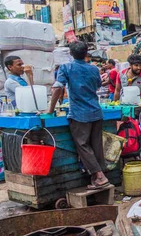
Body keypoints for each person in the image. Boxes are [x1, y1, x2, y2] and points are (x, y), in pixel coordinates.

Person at [46, 41, 109, 189]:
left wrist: (50, 110)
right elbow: (98, 85)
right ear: (86, 53)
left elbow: (57, 88)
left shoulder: (66, 67)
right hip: (96, 111)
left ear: (70, 53)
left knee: (82, 145)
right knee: (96, 145)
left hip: (80, 114)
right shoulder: (94, 69)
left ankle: (99, 176)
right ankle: (100, 175)